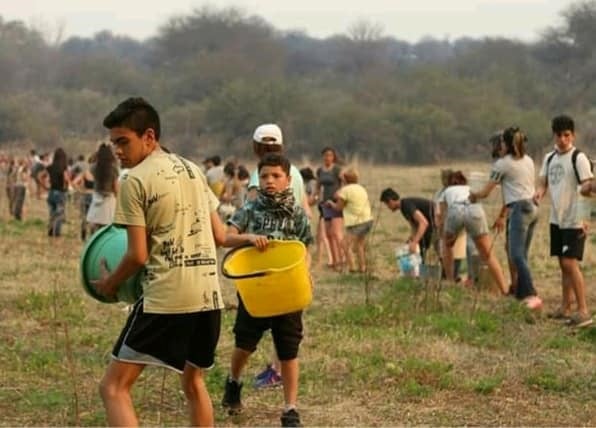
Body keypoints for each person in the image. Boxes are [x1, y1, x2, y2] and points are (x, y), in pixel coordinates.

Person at [92, 97, 227, 426]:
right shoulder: (193, 170)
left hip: (167, 299)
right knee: (194, 383)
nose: (118, 151)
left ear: (149, 136)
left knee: (114, 388)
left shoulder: (135, 180)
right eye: (114, 144)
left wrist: (109, 284)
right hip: (209, 297)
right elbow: (220, 236)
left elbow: (137, 255)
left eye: (124, 141)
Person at [221, 153, 313, 427]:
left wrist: (306, 272)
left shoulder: (296, 212)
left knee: (289, 348)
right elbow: (225, 237)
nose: (270, 181)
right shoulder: (250, 208)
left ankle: (290, 409)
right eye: (264, 176)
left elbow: (305, 247)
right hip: (256, 288)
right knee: (245, 343)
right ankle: (233, 381)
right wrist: (248, 238)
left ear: (288, 179)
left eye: (276, 176)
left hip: (287, 289)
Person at [245, 123, 311, 389]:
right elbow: (306, 210)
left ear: (255, 146)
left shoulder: (259, 174)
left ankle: (276, 370)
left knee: (268, 315)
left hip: (268, 253)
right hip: (293, 252)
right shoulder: (292, 171)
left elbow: (251, 209)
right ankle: (278, 367)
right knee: (289, 315)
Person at [470, 127, 542, 309]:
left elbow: (486, 192)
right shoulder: (529, 160)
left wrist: (474, 195)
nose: (498, 146)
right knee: (521, 254)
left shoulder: (502, 164)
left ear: (506, 144)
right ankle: (519, 291)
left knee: (515, 255)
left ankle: (531, 294)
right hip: (533, 208)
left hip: (519, 208)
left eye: (501, 143)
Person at [534, 115, 593, 327]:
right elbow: (543, 183)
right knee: (562, 263)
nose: (563, 139)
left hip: (574, 218)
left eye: (567, 135)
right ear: (554, 136)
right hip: (556, 218)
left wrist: (586, 217)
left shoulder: (579, 158)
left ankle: (583, 310)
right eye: (559, 135)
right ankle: (565, 306)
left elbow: (588, 187)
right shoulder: (550, 158)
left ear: (573, 135)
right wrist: (539, 193)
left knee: (570, 263)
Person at [438, 171, 508, 294]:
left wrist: (448, 235)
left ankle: (450, 281)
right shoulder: (469, 188)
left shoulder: (446, 191)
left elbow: (443, 216)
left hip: (455, 210)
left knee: (447, 246)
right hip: (474, 210)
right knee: (487, 254)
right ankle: (504, 290)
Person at [325, 167, 373, 273]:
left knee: (344, 244)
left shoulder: (345, 190)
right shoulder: (361, 188)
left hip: (357, 222)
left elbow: (338, 207)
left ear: (345, 180)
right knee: (359, 245)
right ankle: (362, 267)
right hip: (367, 220)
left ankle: (352, 267)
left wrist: (331, 204)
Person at [379, 188, 435, 263]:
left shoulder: (406, 205)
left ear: (390, 201)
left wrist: (415, 242)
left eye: (387, 205)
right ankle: (419, 269)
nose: (388, 208)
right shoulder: (403, 207)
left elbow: (423, 223)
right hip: (432, 224)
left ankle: (421, 269)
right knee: (418, 245)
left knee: (421, 245)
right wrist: (411, 239)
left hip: (439, 222)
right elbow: (414, 226)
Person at [316, 147, 344, 270]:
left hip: (335, 203)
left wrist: (340, 194)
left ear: (333, 157)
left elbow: (344, 182)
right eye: (326, 155)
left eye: (330, 155)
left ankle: (342, 258)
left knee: (336, 233)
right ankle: (334, 260)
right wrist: (315, 197)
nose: (327, 158)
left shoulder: (337, 169)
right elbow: (318, 185)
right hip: (325, 204)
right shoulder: (320, 170)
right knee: (328, 234)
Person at [301, 166, 332, 268]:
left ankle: (328, 258)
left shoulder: (311, 184)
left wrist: (306, 202)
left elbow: (313, 198)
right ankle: (321, 258)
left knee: (322, 236)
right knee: (321, 236)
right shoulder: (315, 183)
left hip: (319, 210)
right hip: (321, 209)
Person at [86, 143, 119, 233]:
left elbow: (89, 161)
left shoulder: (95, 167)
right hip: (109, 198)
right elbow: (116, 187)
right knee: (107, 226)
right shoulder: (113, 168)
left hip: (97, 196)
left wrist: (97, 152)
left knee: (95, 224)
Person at [39, 148, 70, 237]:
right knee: (59, 214)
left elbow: (40, 176)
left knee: (52, 213)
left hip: (51, 192)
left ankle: (50, 230)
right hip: (60, 192)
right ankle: (56, 233)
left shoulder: (50, 167)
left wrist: (44, 186)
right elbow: (66, 179)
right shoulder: (63, 167)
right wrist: (65, 187)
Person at [70, 154, 96, 240]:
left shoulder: (86, 172)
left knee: (84, 216)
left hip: (85, 195)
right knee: (94, 217)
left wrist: (81, 190)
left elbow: (74, 182)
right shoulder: (100, 173)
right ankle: (92, 235)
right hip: (95, 196)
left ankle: (83, 235)